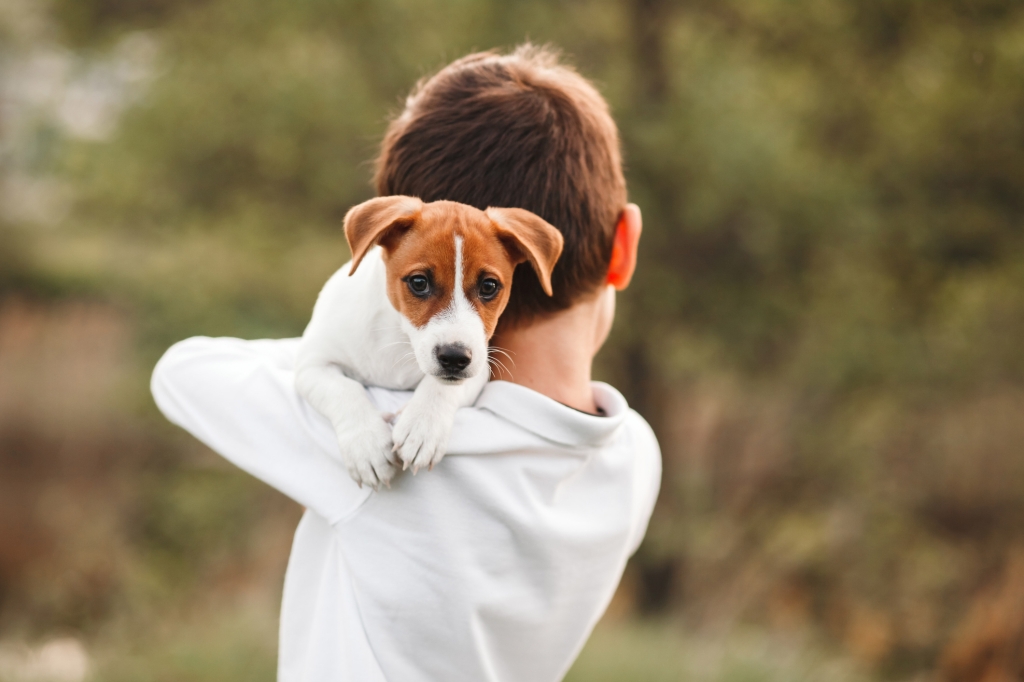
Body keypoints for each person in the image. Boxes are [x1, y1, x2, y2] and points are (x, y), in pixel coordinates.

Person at [151, 44, 661, 682]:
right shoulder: (635, 457)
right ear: (625, 245)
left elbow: (181, 373)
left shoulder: (385, 438)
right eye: (420, 283)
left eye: (487, 287)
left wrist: (353, 348)